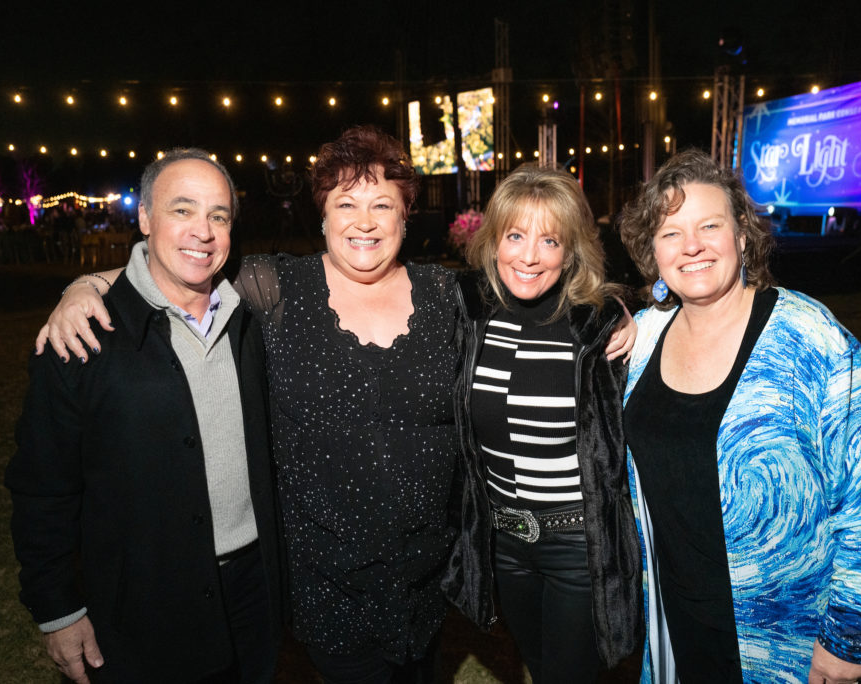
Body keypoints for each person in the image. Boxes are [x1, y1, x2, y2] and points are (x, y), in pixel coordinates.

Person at [36, 128, 636, 683]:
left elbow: (540, 291)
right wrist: (84, 287)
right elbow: (181, 267)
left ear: (407, 216)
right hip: (327, 585)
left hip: (427, 581)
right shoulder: (273, 289)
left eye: (383, 205)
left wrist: (621, 309)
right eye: (346, 204)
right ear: (321, 216)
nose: (365, 222)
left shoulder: (450, 295)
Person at [618, 149, 861, 684]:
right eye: (670, 233)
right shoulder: (648, 335)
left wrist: (849, 639)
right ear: (652, 251)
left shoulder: (809, 337)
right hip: (678, 624)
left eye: (709, 225)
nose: (692, 245)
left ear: (743, 235)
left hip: (791, 639)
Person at [7, 149, 284, 683]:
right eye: (182, 210)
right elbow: (41, 487)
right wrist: (57, 608)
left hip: (252, 591)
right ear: (144, 218)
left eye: (219, 216)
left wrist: (84, 279)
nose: (202, 231)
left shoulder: (251, 314)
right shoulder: (84, 336)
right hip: (141, 607)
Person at [443, 165, 641, 683]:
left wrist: (629, 313)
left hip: (578, 546)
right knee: (536, 663)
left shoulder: (594, 325)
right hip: (503, 544)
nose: (529, 256)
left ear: (570, 252)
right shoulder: (469, 311)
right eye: (515, 235)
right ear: (492, 240)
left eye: (549, 241)